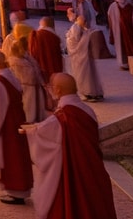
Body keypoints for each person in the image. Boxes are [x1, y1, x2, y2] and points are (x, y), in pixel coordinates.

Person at [27, 73, 115, 219]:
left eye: (51, 86)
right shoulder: (87, 110)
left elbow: (43, 137)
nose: (49, 89)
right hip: (93, 169)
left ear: (58, 90)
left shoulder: (62, 116)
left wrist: (31, 132)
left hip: (73, 171)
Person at [0, 52, 33, 206]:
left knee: (9, 157)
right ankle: (19, 190)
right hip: (15, 122)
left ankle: (16, 191)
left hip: (5, 126)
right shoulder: (11, 76)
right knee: (18, 156)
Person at [8, 29, 48, 122]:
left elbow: (36, 71)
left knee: (36, 106)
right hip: (26, 88)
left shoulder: (27, 57)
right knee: (29, 107)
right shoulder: (15, 62)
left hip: (34, 87)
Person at [64, 9, 104, 102]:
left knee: (84, 75)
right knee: (89, 74)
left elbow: (74, 41)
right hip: (83, 55)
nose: (67, 15)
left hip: (80, 56)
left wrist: (68, 39)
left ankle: (89, 93)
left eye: (68, 13)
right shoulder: (78, 27)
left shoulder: (76, 27)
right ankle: (94, 92)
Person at [30, 17, 64, 84]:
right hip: (54, 68)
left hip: (40, 69)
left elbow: (33, 53)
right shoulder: (55, 38)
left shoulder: (35, 36)